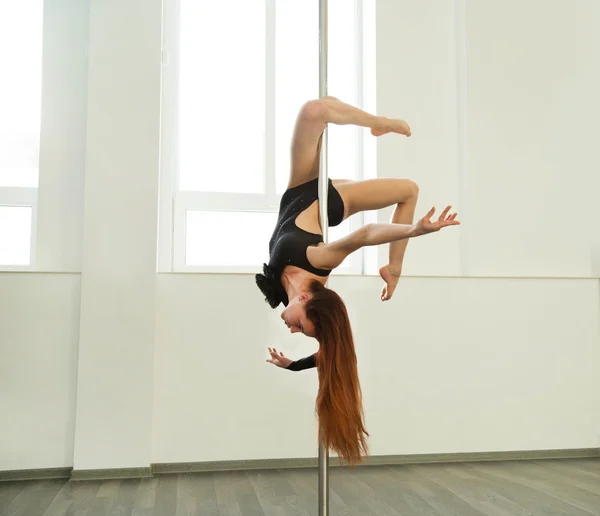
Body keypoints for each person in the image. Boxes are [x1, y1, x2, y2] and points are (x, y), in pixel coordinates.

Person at [255, 97, 460, 465]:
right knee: (407, 189)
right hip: (329, 200)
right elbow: (364, 234)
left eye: (301, 331)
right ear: (305, 299)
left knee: (316, 113)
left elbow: (328, 352)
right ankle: (395, 266)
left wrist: (292, 365)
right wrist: (415, 229)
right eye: (302, 326)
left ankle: (394, 267)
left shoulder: (297, 301)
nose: (294, 329)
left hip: (297, 189)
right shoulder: (318, 262)